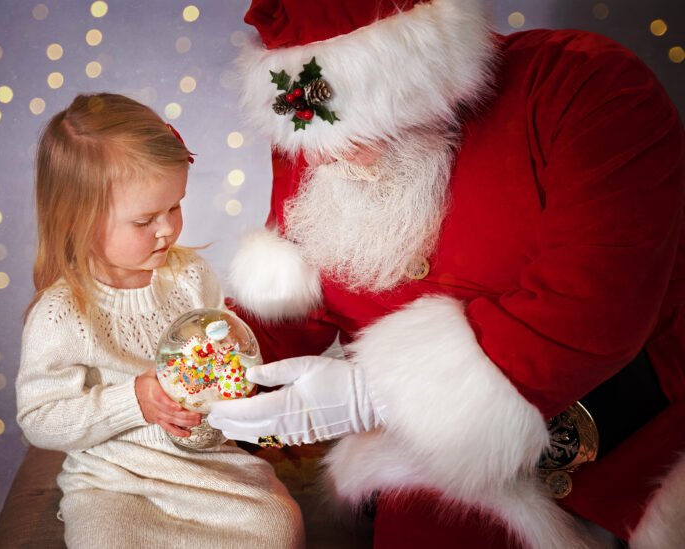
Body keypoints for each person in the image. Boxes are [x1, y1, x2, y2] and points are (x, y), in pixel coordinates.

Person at [207, 1, 685, 547]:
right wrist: (209, 379)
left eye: (358, 126)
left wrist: (377, 395)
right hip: (432, 480)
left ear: (425, 84)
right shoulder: (319, 143)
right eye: (310, 141)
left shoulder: (586, 86)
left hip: (637, 466)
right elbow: (293, 306)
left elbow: (597, 306)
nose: (325, 161)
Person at [15, 93, 303, 548]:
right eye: (144, 219)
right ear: (77, 220)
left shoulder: (189, 277)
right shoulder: (63, 312)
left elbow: (220, 353)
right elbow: (41, 417)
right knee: (105, 540)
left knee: (276, 525)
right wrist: (135, 400)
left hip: (206, 463)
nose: (167, 228)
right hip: (114, 477)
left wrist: (232, 378)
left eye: (175, 207)